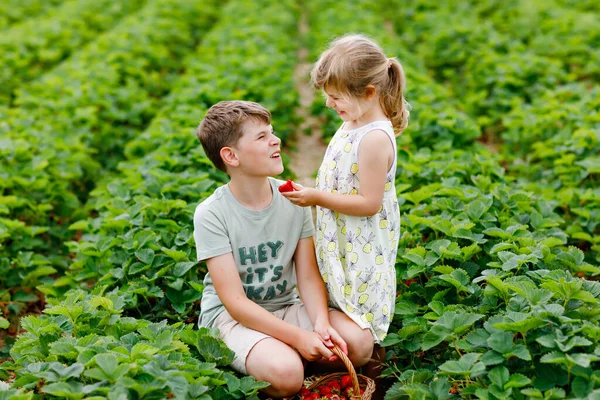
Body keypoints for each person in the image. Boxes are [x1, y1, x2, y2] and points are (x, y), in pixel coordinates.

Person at [193, 100, 374, 398]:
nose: (275, 140)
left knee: (360, 343)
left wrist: (319, 324)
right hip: (231, 319)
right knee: (288, 375)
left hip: (286, 307)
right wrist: (300, 337)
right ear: (231, 156)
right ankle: (288, 359)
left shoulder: (293, 198)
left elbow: (307, 276)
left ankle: (292, 355)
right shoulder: (212, 214)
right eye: (261, 137)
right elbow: (235, 302)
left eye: (272, 132)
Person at [281, 34, 409, 393]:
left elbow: (369, 202)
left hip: (362, 244)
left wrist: (317, 197)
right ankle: (342, 361)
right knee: (337, 292)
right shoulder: (352, 122)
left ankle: (371, 372)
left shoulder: (374, 139)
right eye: (327, 94)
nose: (329, 102)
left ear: (369, 93)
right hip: (342, 236)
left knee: (360, 307)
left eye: (336, 96)